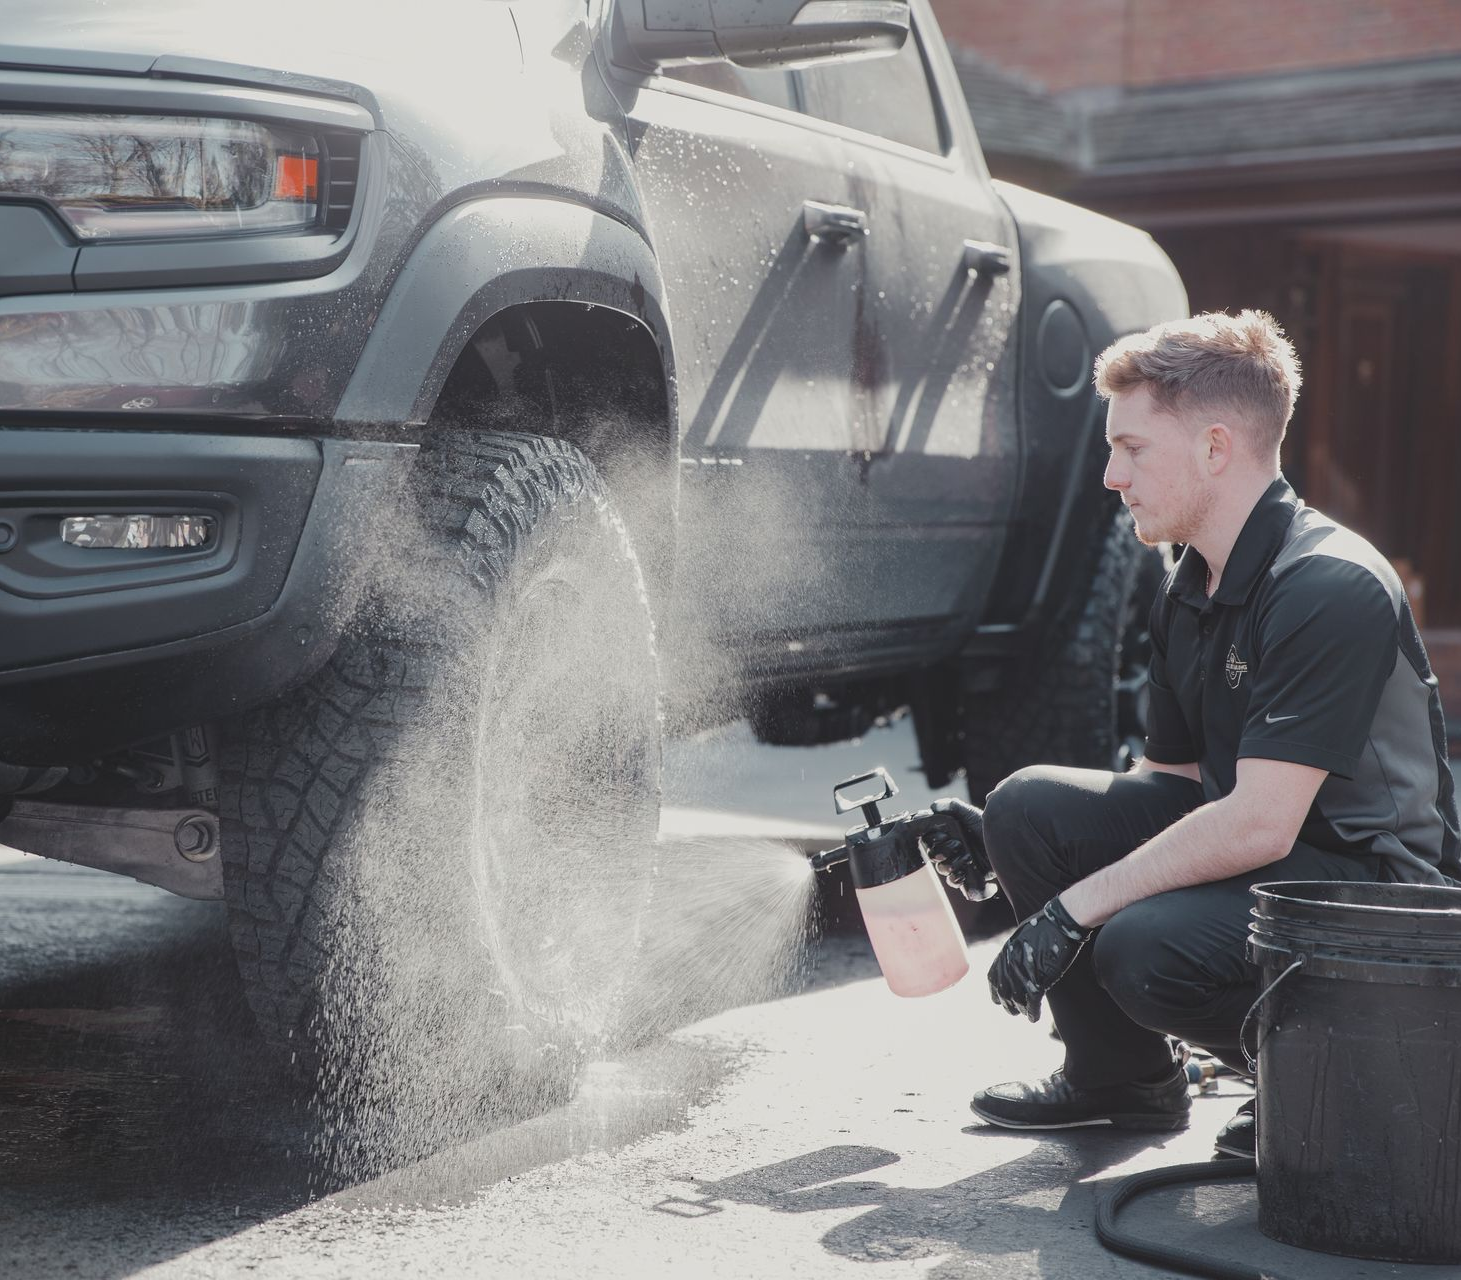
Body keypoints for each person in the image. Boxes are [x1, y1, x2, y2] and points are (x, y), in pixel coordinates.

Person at [928, 309, 1460, 1157]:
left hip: (1379, 893)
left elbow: (1259, 822)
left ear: (1215, 448)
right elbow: (1170, 784)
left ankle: (1327, 1089)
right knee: (1028, 804)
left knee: (1143, 947)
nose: (1111, 475)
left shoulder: (1327, 583)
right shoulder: (1189, 583)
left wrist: (1073, 908)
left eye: (1132, 449)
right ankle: (1120, 1083)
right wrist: (1002, 836)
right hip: (1277, 860)